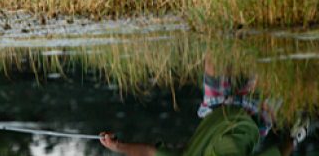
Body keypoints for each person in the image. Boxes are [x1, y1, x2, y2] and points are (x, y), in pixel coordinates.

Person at [98, 52, 306, 156]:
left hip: (216, 107)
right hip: (254, 115)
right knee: (273, 61)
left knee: (214, 53)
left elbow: (151, 153)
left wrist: (118, 146)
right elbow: (279, 152)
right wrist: (296, 137)